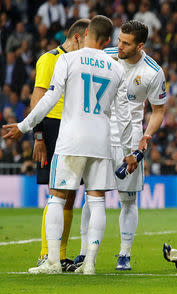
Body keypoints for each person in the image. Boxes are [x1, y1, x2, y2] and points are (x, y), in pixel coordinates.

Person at [3, 15, 138, 275]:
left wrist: (23, 126)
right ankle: (89, 264)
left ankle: (52, 260)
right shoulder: (116, 68)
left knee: (57, 197)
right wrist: (127, 152)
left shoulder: (67, 59)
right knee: (97, 201)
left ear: (86, 32)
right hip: (100, 142)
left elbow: (49, 98)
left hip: (71, 139)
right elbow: (124, 117)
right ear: (108, 40)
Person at [74, 20, 167, 271]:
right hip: (99, 136)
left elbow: (158, 111)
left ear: (140, 45)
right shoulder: (104, 57)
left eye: (125, 43)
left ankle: (124, 255)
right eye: (118, 40)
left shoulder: (153, 72)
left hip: (131, 141)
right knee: (92, 196)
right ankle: (83, 253)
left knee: (128, 201)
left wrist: (146, 136)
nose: (119, 46)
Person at [29, 18, 90, 272]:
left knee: (70, 195)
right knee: (57, 192)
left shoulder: (79, 62)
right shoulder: (50, 58)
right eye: (87, 41)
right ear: (78, 37)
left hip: (73, 128)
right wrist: (39, 136)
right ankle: (46, 255)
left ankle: (61, 256)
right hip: (52, 127)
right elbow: (38, 97)